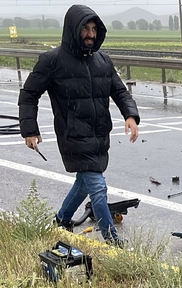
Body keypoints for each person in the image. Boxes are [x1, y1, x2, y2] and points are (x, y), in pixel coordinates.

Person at [18, 4, 139, 244]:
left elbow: (120, 91)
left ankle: (62, 219)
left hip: (99, 135)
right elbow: (29, 95)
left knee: (84, 181)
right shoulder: (52, 61)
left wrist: (130, 115)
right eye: (85, 28)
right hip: (73, 136)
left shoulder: (102, 61)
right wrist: (30, 130)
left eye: (94, 29)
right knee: (97, 186)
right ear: (74, 29)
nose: (90, 34)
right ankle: (112, 241)